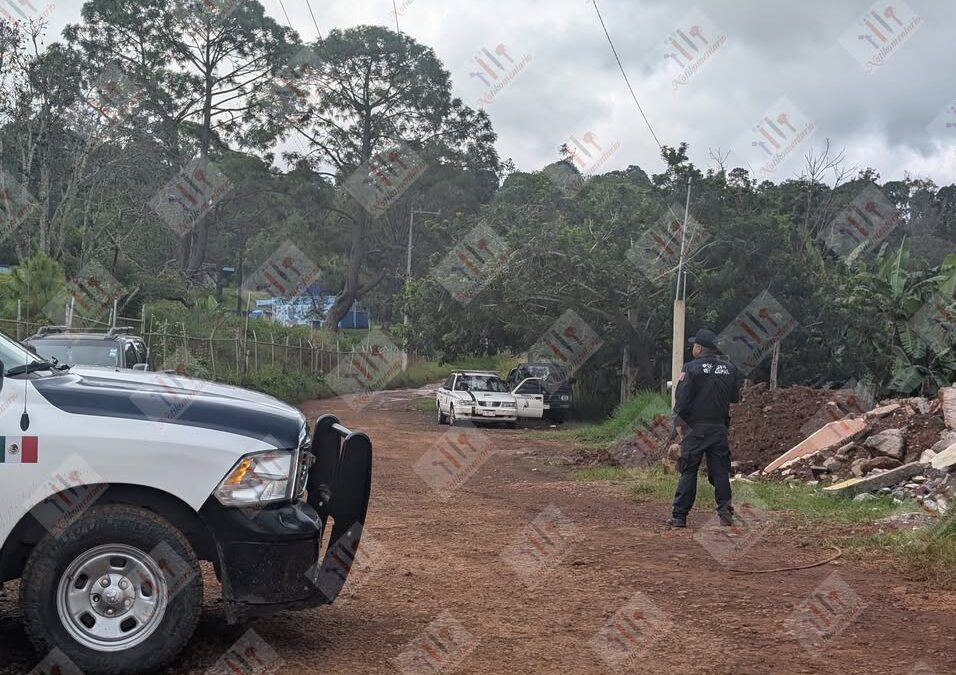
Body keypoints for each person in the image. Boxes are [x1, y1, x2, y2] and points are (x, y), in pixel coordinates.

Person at [668, 328, 739, 528]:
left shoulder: (691, 368)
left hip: (695, 428)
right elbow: (734, 397)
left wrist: (679, 425)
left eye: (694, 345)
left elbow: (682, 400)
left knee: (689, 470)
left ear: (699, 348)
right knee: (720, 472)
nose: (693, 348)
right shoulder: (730, 369)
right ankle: (726, 514)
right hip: (718, 428)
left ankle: (679, 517)